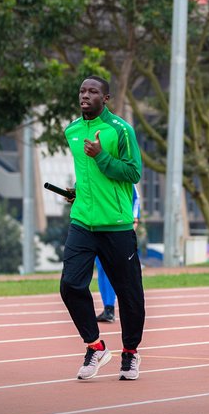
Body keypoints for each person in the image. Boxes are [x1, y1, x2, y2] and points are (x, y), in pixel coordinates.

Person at [60, 75, 145, 381]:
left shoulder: (120, 130)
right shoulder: (71, 130)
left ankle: (131, 353)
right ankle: (95, 346)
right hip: (83, 221)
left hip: (117, 226)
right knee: (70, 285)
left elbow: (133, 172)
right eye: (82, 90)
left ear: (105, 99)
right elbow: (87, 177)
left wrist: (101, 157)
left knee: (130, 294)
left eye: (93, 91)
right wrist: (78, 192)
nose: (85, 95)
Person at [96, 184, 140, 323]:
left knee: (119, 270)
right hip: (97, 226)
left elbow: (135, 197)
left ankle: (125, 309)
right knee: (102, 269)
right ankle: (108, 308)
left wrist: (134, 219)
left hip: (119, 229)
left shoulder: (119, 172)